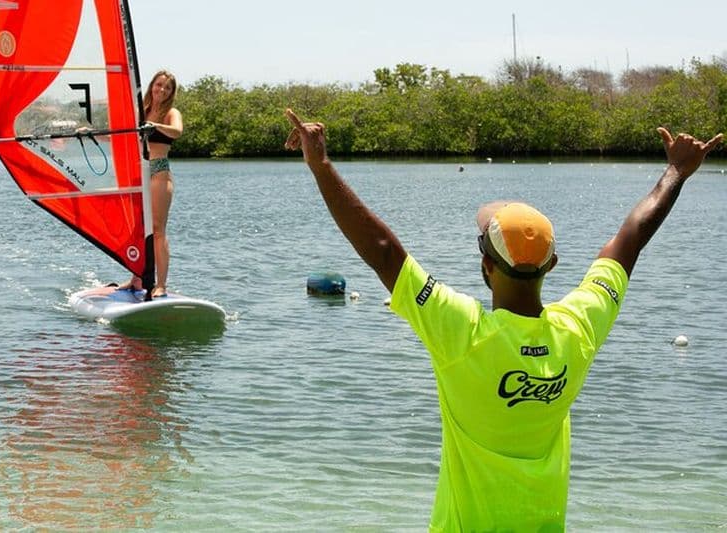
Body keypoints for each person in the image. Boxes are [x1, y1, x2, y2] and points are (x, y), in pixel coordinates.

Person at [283, 107, 722, 531]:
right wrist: (676, 172)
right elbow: (630, 240)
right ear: (551, 266)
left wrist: (320, 164)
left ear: (486, 267)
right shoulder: (578, 328)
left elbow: (382, 250)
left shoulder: (462, 332)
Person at [120, 70, 183, 298]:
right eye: (159, 85)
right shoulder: (142, 112)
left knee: (157, 230)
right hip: (139, 173)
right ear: (151, 86)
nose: (162, 90)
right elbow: (121, 134)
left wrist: (154, 126)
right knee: (138, 229)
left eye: (167, 88)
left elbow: (177, 132)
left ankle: (161, 284)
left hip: (159, 173)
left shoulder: (171, 113)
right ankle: (137, 278)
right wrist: (88, 133)